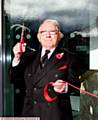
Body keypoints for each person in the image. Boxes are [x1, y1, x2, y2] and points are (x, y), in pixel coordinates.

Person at [9, 19, 80, 120]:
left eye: (52, 32)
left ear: (59, 36)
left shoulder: (70, 58)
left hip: (55, 115)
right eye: (43, 32)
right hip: (30, 113)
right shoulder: (28, 57)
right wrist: (16, 57)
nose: (48, 35)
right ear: (39, 37)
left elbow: (76, 84)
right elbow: (14, 80)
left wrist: (65, 87)